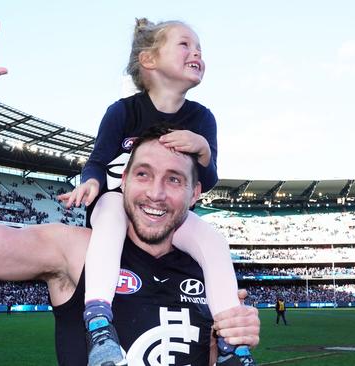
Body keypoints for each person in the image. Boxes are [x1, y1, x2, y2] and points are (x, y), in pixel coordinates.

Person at [0, 10, 259, 365]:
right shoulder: (74, 252)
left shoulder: (207, 267)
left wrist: (229, 336)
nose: (156, 192)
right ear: (123, 179)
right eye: (142, 174)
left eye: (174, 179)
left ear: (196, 192)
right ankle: (98, 321)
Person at [57, 17, 252, 366]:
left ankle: (231, 345)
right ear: (149, 59)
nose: (196, 53)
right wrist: (89, 183)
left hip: (169, 216)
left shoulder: (202, 119)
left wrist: (203, 150)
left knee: (213, 241)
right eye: (184, 45)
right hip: (117, 202)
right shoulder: (123, 111)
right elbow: (98, 160)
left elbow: (206, 180)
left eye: (199, 49)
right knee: (113, 213)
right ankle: (100, 324)